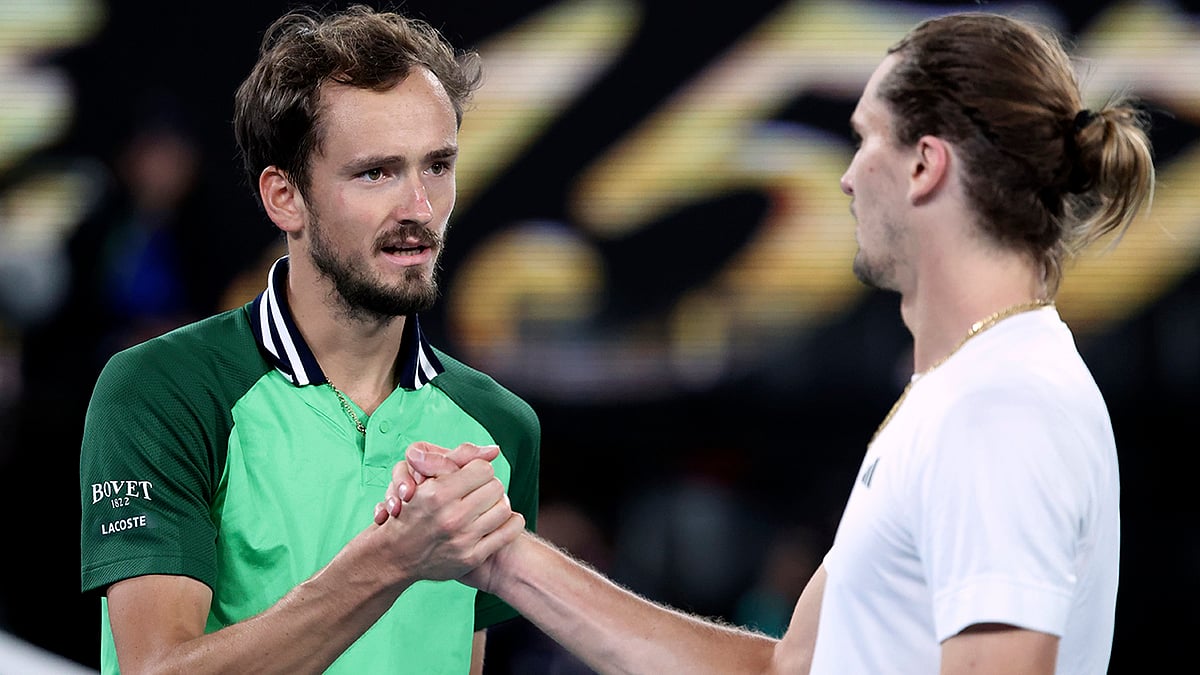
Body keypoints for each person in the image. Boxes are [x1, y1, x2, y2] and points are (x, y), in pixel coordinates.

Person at [382, 11, 1155, 674]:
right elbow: (787, 667)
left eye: (864, 139)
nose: (848, 176)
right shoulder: (963, 392)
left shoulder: (998, 407)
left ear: (925, 165)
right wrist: (503, 554)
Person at [78, 5, 540, 674]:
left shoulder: (501, 425)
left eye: (437, 166)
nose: (418, 207)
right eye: (375, 172)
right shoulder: (160, 389)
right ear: (284, 196)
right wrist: (390, 560)